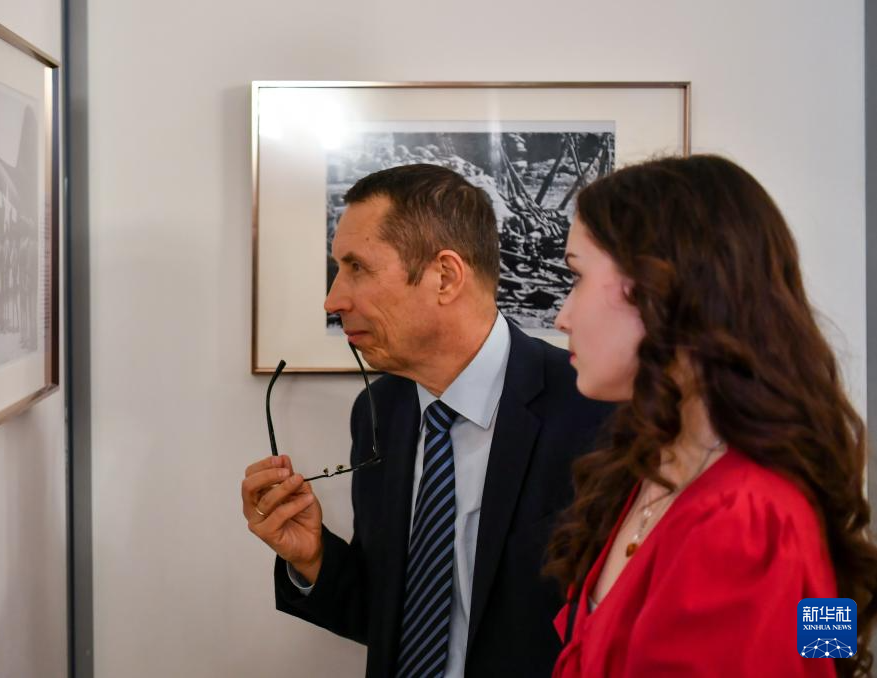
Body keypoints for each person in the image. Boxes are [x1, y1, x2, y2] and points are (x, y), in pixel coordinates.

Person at [242, 164, 612, 677]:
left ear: (445, 277)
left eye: (357, 267)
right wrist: (313, 557)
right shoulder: (377, 412)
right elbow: (398, 619)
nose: (333, 300)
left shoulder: (596, 412)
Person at [545, 154, 877, 677]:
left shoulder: (747, 518)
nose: (562, 316)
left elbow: (820, 654)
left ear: (658, 287)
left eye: (577, 275)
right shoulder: (649, 466)